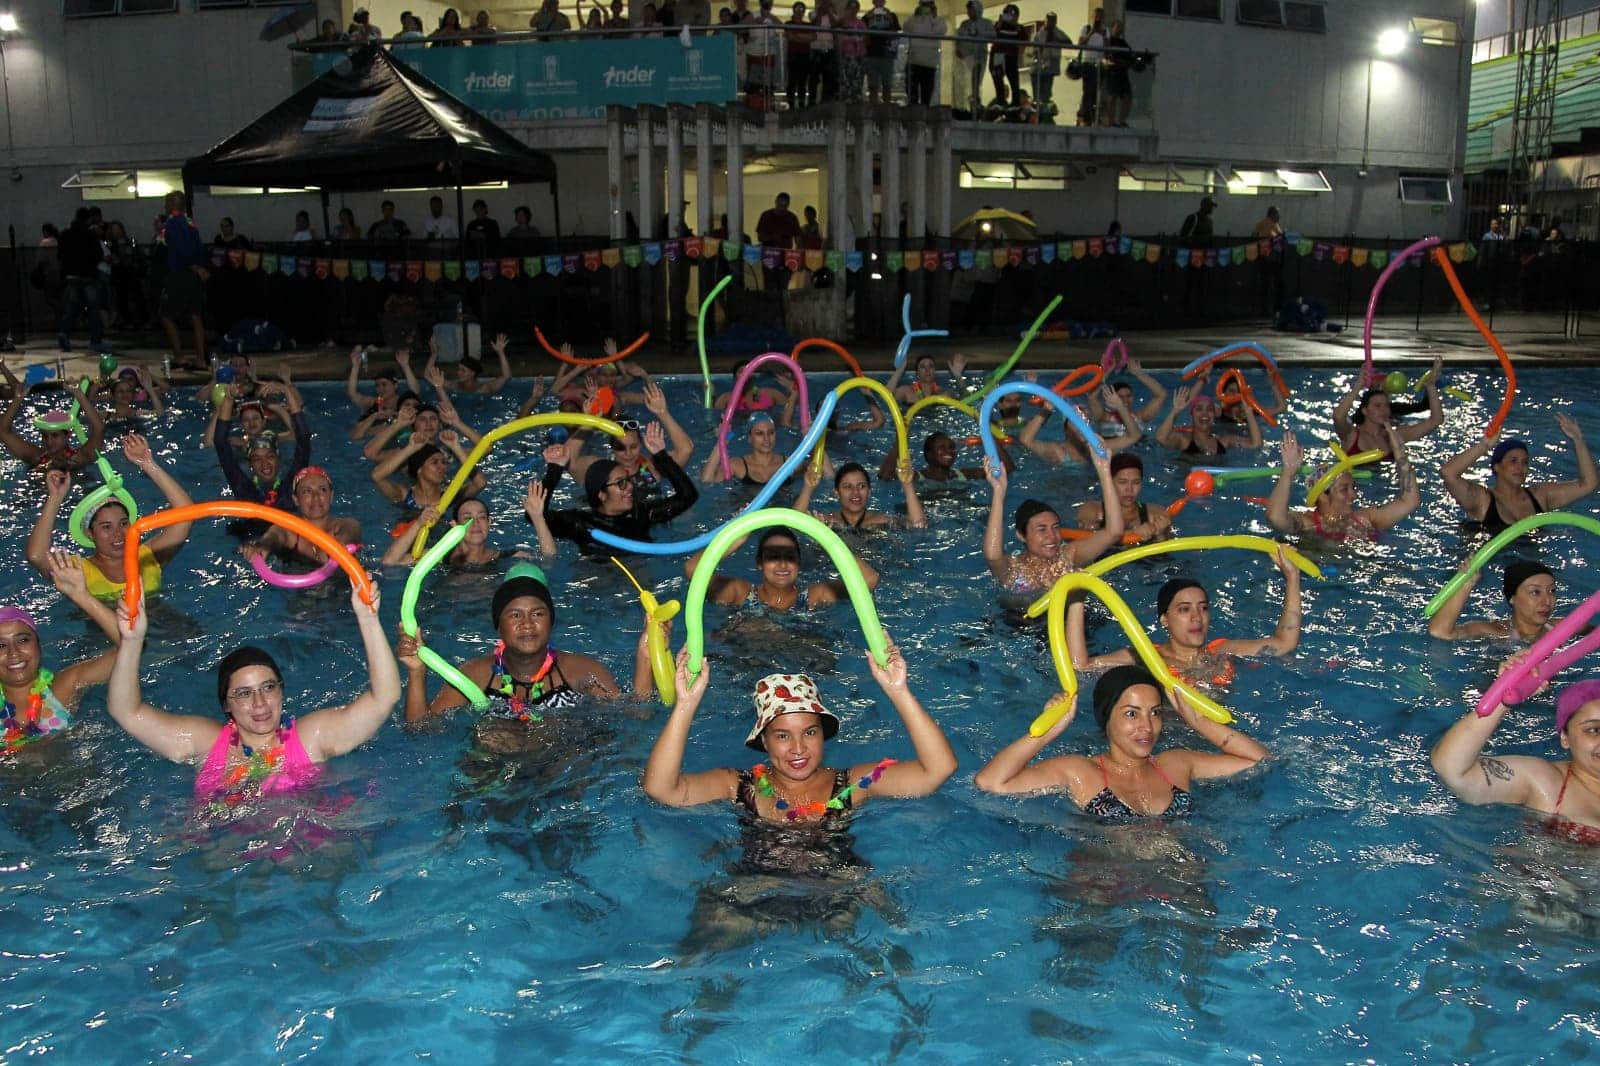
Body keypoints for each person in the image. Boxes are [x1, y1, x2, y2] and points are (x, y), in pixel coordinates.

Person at [108, 584, 399, 807]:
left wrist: (369, 619)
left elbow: (384, 697)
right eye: (244, 693)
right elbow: (126, 712)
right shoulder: (206, 742)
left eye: (268, 687)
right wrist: (132, 641)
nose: (259, 703)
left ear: (282, 690)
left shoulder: (312, 737)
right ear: (226, 704)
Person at [643, 635, 957, 817]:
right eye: (782, 735)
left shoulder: (853, 785)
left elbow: (938, 770)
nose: (797, 748)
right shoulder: (738, 786)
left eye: (809, 732)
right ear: (764, 741)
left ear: (824, 734)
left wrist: (899, 691)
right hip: (756, 889)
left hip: (835, 891)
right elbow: (661, 790)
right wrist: (685, 705)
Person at [974, 665, 1267, 821]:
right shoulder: (1080, 772)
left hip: (1178, 884)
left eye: (1155, 713)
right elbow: (991, 782)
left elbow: (1259, 760)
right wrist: (1047, 731)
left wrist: (1199, 721)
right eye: (1131, 714)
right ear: (1107, 718)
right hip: (1103, 891)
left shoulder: (1176, 763)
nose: (1146, 727)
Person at [398, 564, 650, 728]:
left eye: (538, 614)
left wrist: (645, 657)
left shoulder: (583, 672)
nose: (527, 624)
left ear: (551, 621)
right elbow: (422, 730)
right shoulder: (474, 675)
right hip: (498, 771)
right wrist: (417, 673)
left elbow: (636, 716)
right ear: (499, 625)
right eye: (515, 615)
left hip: (564, 767)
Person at [1067, 555, 1302, 690]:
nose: (1196, 617)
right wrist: (1077, 598)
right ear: (1164, 620)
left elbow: (1284, 642)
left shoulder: (1222, 651)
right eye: (1184, 609)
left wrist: (1292, 577)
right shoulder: (1144, 657)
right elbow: (1081, 666)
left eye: (1203, 608)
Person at [1431, 671, 1600, 842]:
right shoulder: (1546, 782)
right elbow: (1452, 770)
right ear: (1565, 737)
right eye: (1594, 730)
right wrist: (1503, 696)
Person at [26, 437, 194, 602]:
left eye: (123, 523)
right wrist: (55, 498)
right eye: (106, 527)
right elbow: (36, 556)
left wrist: (148, 464)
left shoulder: (149, 557)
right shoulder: (79, 572)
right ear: (90, 534)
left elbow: (186, 514)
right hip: (101, 630)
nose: (118, 533)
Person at [0, 558, 125, 754]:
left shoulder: (65, 686)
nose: (14, 653)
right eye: (1, 645)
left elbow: (131, 648)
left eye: (23, 640)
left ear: (38, 645)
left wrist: (82, 596)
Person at [538, 424, 699, 555]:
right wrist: (555, 469)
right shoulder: (580, 523)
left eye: (628, 480)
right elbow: (537, 515)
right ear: (601, 494)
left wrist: (660, 454)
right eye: (621, 483)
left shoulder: (643, 515)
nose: (630, 486)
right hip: (598, 580)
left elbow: (688, 496)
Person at [983, 452, 1124, 597]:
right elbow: (993, 556)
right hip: (1019, 619)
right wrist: (998, 493)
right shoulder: (1013, 568)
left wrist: (1105, 472)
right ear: (1021, 535)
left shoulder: (1069, 556)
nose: (1052, 535)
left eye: (1055, 527)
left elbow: (1114, 532)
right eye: (1041, 529)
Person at [1440, 421, 1598, 535]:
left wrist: (1578, 440)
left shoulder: (1540, 495)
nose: (1520, 467)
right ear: (1497, 467)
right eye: (1513, 461)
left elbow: (1588, 484)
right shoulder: (1482, 500)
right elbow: (1448, 473)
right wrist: (1484, 446)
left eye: (1525, 462)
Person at [1266, 428, 1420, 542]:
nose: (1354, 495)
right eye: (1344, 489)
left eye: (1353, 488)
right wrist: (1288, 473)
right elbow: (1275, 517)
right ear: (1322, 496)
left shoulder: (1366, 518)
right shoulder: (1306, 524)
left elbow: (1409, 501)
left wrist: (1400, 453)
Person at [685, 525, 880, 610]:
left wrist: (828, 542)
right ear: (759, 563)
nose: (782, 563)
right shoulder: (741, 593)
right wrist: (736, 539)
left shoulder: (814, 597)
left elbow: (869, 581)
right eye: (773, 556)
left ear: (799, 563)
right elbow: (693, 570)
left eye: (789, 556)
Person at [384, 490, 557, 567]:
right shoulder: (439, 558)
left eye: (482, 517)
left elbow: (549, 558)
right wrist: (419, 522)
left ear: (489, 524)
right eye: (467, 518)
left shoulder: (506, 557)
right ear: (454, 525)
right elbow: (390, 561)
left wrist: (537, 517)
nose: (475, 523)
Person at [569, 383, 694, 485]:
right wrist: (588, 422)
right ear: (612, 447)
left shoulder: (651, 468)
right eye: (620, 448)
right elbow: (568, 461)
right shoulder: (600, 470)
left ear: (641, 444)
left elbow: (686, 450)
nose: (628, 454)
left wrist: (663, 413)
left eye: (633, 447)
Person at [213, 379, 310, 512]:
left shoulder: (290, 488)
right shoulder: (243, 488)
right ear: (250, 464)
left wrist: (286, 390)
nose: (265, 463)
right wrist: (229, 398)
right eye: (257, 459)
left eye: (270, 456)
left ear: (278, 458)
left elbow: (304, 439)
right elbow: (220, 442)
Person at [240, 466, 362, 571]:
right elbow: (274, 536)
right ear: (296, 499)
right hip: (301, 592)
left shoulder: (347, 525)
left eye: (322, 490)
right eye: (307, 491)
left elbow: (349, 534)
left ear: (331, 496)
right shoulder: (288, 530)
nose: (315, 497)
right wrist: (261, 546)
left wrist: (340, 545)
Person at [1332, 361, 1444, 459]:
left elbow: (1435, 421)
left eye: (1386, 405)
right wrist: (1358, 386)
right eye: (1377, 406)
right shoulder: (1351, 434)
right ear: (1365, 411)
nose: (1384, 410)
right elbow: (1338, 416)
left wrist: (1430, 386)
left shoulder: (1394, 436)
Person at [1429, 560, 1558, 644]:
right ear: (1512, 597)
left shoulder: (1562, 627)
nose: (1546, 601)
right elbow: (1440, 632)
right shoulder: (1496, 632)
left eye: (1552, 591)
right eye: (1535, 592)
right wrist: (1467, 583)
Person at [1019, 385, 1145, 462]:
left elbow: (1134, 436)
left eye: (1087, 421)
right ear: (1066, 428)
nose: (1083, 426)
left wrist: (1120, 407)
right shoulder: (1058, 452)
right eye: (1077, 422)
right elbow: (1026, 440)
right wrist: (1046, 409)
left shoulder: (1098, 448)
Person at [0, 379, 103, 472]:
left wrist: (80, 395)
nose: (49, 442)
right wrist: (18, 398)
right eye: (45, 436)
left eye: (55, 435)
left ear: (68, 435)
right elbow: (3, 432)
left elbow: (99, 428)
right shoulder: (36, 457)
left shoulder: (81, 457)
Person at [371, 428, 485, 512]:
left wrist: (456, 447)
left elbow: (480, 483)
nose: (442, 467)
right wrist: (410, 449)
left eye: (444, 462)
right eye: (434, 462)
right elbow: (377, 476)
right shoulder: (403, 496)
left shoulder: (449, 496)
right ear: (419, 469)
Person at [794, 460, 928, 530]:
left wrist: (908, 486)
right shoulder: (826, 521)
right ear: (836, 493)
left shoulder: (882, 520)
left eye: (861, 486)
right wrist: (808, 487)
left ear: (869, 492)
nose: (855, 492)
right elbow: (793, 524)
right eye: (847, 487)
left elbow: (919, 526)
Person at [158, 191, 209, 371]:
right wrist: (200, 266)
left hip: (181, 273)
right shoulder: (189, 222)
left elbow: (181, 250)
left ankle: (180, 357)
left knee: (166, 314)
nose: (164, 205)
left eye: (166, 202)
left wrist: (190, 265)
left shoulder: (172, 223)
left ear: (172, 204)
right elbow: (199, 247)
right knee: (195, 315)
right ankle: (201, 358)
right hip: (195, 274)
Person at [1074, 453, 1172, 545]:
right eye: (1122, 482)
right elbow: (1086, 544)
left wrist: (1160, 535)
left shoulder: (1156, 514)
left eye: (1136, 482)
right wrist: (1132, 534)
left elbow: (1162, 557)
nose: (1129, 489)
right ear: (1110, 482)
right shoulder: (1092, 510)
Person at [1155, 383, 1261, 457]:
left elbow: (1255, 444)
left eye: (1209, 409)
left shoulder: (1224, 441)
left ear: (1214, 415)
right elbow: (1160, 439)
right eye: (1199, 409)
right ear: (1192, 414)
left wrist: (1249, 413)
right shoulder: (1182, 439)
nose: (1204, 413)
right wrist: (1175, 411)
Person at [56, 208, 104, 353]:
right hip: (88, 275)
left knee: (71, 308)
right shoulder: (90, 235)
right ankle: (95, 340)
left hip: (71, 276)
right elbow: (98, 254)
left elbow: (60, 255)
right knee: (93, 308)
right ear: (88, 219)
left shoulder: (65, 234)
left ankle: (64, 332)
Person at [1084, 358, 1168, 435]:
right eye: (1120, 396)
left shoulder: (1139, 418)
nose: (1125, 399)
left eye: (1128, 396)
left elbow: (1161, 395)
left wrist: (1139, 374)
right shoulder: (1104, 417)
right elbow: (1091, 397)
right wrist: (1106, 372)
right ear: (1110, 397)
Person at [756, 193, 801, 292]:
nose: (782, 209)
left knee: (783, 286)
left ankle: (781, 305)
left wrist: (797, 257)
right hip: (769, 255)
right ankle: (771, 306)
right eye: (780, 205)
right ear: (775, 202)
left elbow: (798, 240)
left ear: (788, 205)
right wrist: (773, 238)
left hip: (786, 257)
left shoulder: (792, 218)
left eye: (785, 206)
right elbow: (760, 237)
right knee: (769, 285)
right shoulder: (766, 216)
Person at [955, 0, 994, 114]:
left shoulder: (986, 23)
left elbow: (993, 35)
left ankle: (975, 101)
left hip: (980, 55)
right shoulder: (964, 24)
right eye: (968, 10)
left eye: (971, 10)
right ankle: (970, 102)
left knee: (976, 78)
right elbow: (959, 38)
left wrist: (980, 33)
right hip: (967, 56)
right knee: (971, 79)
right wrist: (958, 48)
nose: (969, 12)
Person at [901, 0, 943, 106]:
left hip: (929, 63)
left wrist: (933, 17)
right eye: (924, 5)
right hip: (913, 61)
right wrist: (914, 16)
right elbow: (905, 28)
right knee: (911, 94)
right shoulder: (914, 19)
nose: (926, 7)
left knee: (926, 95)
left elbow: (940, 31)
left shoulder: (938, 20)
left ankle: (924, 118)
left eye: (928, 5)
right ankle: (913, 118)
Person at [1178, 195, 1214, 317]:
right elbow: (1183, 237)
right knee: (1191, 283)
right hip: (1193, 256)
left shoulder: (1210, 222)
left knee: (1202, 284)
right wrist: (1198, 242)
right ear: (1203, 206)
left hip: (1204, 257)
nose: (1211, 209)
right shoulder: (1193, 218)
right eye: (1210, 206)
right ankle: (1187, 310)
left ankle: (1199, 310)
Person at [886, 352, 967, 405]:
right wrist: (899, 371)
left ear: (935, 371)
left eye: (931, 366)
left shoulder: (944, 393)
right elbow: (886, 397)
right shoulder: (906, 391)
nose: (927, 370)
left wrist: (958, 376)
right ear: (917, 372)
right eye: (922, 367)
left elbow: (965, 400)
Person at [1031, 12, 1070, 119]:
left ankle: (1045, 114)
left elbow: (1069, 42)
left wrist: (1056, 39)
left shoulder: (1058, 32)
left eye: (1054, 20)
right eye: (1050, 20)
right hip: (1039, 66)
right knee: (1038, 94)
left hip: (1051, 65)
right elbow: (1033, 50)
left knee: (1047, 92)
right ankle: (1037, 115)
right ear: (1046, 21)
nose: (1052, 23)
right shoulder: (1039, 34)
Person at [860, 0, 899, 103]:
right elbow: (861, 31)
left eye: (881, 0)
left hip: (887, 53)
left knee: (887, 85)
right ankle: (873, 108)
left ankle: (886, 110)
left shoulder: (891, 15)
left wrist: (889, 18)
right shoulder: (868, 16)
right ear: (873, 2)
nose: (879, 2)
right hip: (871, 53)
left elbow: (896, 31)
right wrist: (868, 17)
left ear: (884, 2)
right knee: (873, 85)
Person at [1099, 17, 1133, 126]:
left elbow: (1130, 55)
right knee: (1112, 96)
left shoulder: (1123, 42)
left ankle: (1122, 120)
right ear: (1112, 28)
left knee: (1127, 96)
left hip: (1122, 73)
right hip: (1113, 72)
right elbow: (1106, 55)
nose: (1120, 29)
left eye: (1121, 27)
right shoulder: (1109, 41)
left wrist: (1126, 62)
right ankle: (1110, 120)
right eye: (1117, 27)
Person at [991, 3, 1026, 106]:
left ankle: (1015, 105)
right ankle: (1000, 103)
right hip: (998, 56)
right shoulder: (998, 25)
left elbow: (1024, 39)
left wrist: (1015, 25)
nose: (1009, 16)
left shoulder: (1019, 28)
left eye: (1012, 14)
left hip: (1011, 57)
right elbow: (992, 35)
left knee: (1014, 83)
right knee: (998, 82)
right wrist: (1000, 23)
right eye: (1006, 13)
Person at [1253, 205, 1284, 317]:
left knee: (1271, 285)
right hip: (1266, 259)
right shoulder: (1264, 224)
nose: (1279, 216)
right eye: (1277, 214)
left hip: (1274, 259)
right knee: (1266, 285)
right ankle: (1265, 309)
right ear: (1272, 214)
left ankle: (1271, 309)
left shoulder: (1276, 225)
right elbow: (1261, 239)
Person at [1075, 6, 1104, 125]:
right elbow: (1081, 43)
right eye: (1096, 16)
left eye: (1100, 17)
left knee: (1096, 91)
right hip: (1088, 62)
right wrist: (1092, 32)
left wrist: (1101, 34)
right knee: (1087, 90)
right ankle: (1084, 115)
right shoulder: (1086, 28)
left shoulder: (1105, 30)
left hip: (1099, 63)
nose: (1098, 19)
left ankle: (1091, 115)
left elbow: (1107, 46)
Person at [835, 0, 867, 103]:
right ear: (847, 9)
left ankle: (856, 105)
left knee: (857, 81)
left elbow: (866, 39)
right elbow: (839, 39)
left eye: (855, 8)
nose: (853, 10)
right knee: (845, 81)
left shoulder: (861, 23)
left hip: (859, 56)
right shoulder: (841, 22)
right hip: (845, 56)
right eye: (851, 7)